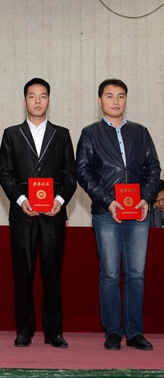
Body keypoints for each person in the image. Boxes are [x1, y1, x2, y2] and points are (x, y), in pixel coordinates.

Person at [76, 78, 161, 351]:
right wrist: (108, 201)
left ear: (126, 99)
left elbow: (153, 168)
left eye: (121, 95)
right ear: (99, 100)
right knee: (110, 274)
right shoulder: (90, 134)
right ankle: (113, 331)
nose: (115, 101)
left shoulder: (140, 132)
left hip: (138, 213)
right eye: (109, 96)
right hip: (106, 213)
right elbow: (83, 172)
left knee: (136, 274)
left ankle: (135, 332)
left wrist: (146, 198)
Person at [0, 78, 76, 348]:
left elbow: (71, 175)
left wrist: (60, 200)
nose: (38, 101)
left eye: (43, 96)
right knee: (23, 275)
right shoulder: (11, 134)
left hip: (54, 215)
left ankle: (54, 331)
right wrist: (21, 200)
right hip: (23, 215)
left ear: (49, 101)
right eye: (32, 96)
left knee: (53, 275)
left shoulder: (62, 134)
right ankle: (24, 330)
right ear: (24, 101)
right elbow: (4, 173)